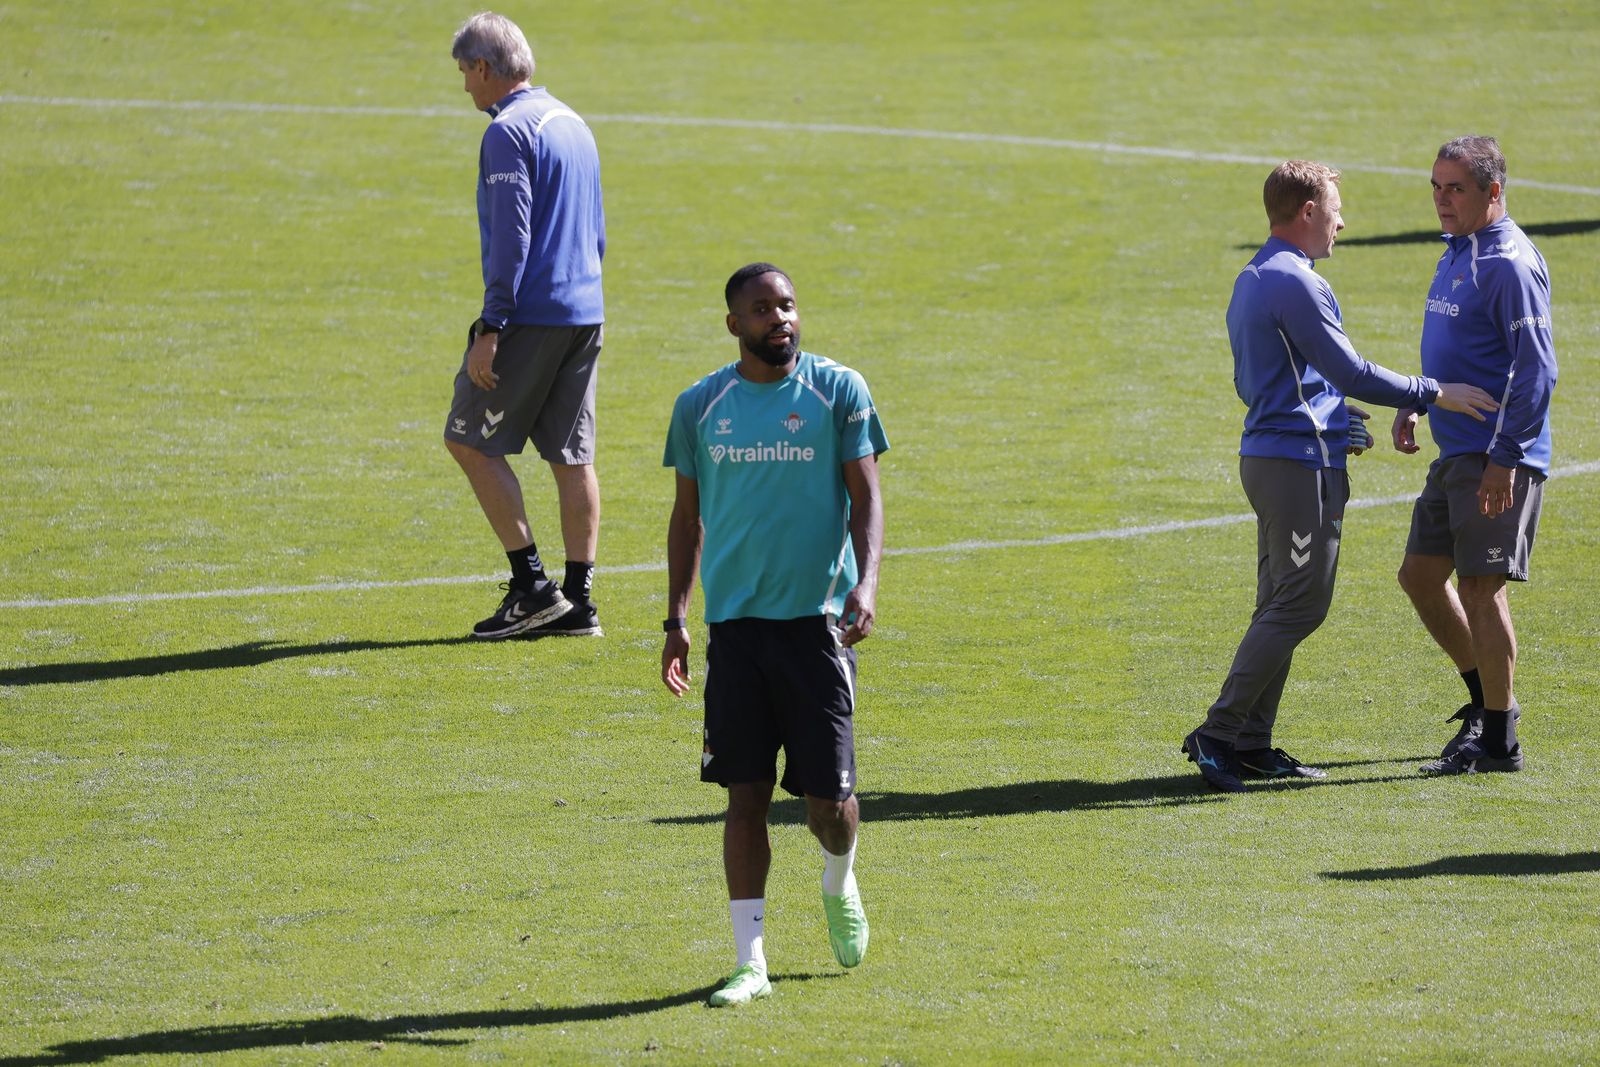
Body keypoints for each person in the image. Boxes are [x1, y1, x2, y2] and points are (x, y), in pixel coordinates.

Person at [1183, 161, 1499, 793]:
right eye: (1334, 208)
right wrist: (1432, 391)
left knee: (1279, 602)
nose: (1341, 220)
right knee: (1300, 603)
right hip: (1300, 469)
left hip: (1274, 456)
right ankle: (1218, 734)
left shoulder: (1254, 276)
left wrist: (1327, 412)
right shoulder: (1297, 282)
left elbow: (1269, 378)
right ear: (1306, 212)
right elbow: (1351, 369)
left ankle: (1250, 742)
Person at [661, 264, 888, 1006]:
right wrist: (677, 620)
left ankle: (839, 876)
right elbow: (685, 518)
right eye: (762, 309)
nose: (779, 318)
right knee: (744, 797)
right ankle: (749, 960)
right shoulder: (701, 406)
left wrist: (866, 582)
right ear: (734, 325)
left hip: (816, 629)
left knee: (828, 805)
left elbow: (866, 496)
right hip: (735, 633)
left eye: (787, 305)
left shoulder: (838, 391)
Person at [1394, 136, 1558, 776]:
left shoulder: (1508, 264)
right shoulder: (1460, 252)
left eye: (1455, 188)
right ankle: (1487, 705)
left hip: (1493, 458)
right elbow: (1458, 348)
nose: (1441, 199)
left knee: (1482, 589)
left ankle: (1499, 741)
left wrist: (1505, 459)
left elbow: (1537, 371)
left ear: (1493, 191)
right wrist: (1419, 398)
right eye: (1435, 186)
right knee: (1419, 575)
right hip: (1455, 449)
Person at [443, 12, 606, 640]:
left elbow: (511, 238)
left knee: (467, 440)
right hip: (584, 311)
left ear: (484, 68)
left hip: (531, 315)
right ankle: (579, 602)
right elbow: (595, 231)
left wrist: (491, 325)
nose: (465, 88)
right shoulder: (573, 122)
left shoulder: (508, 131)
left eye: (465, 73)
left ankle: (533, 587)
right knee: (572, 455)